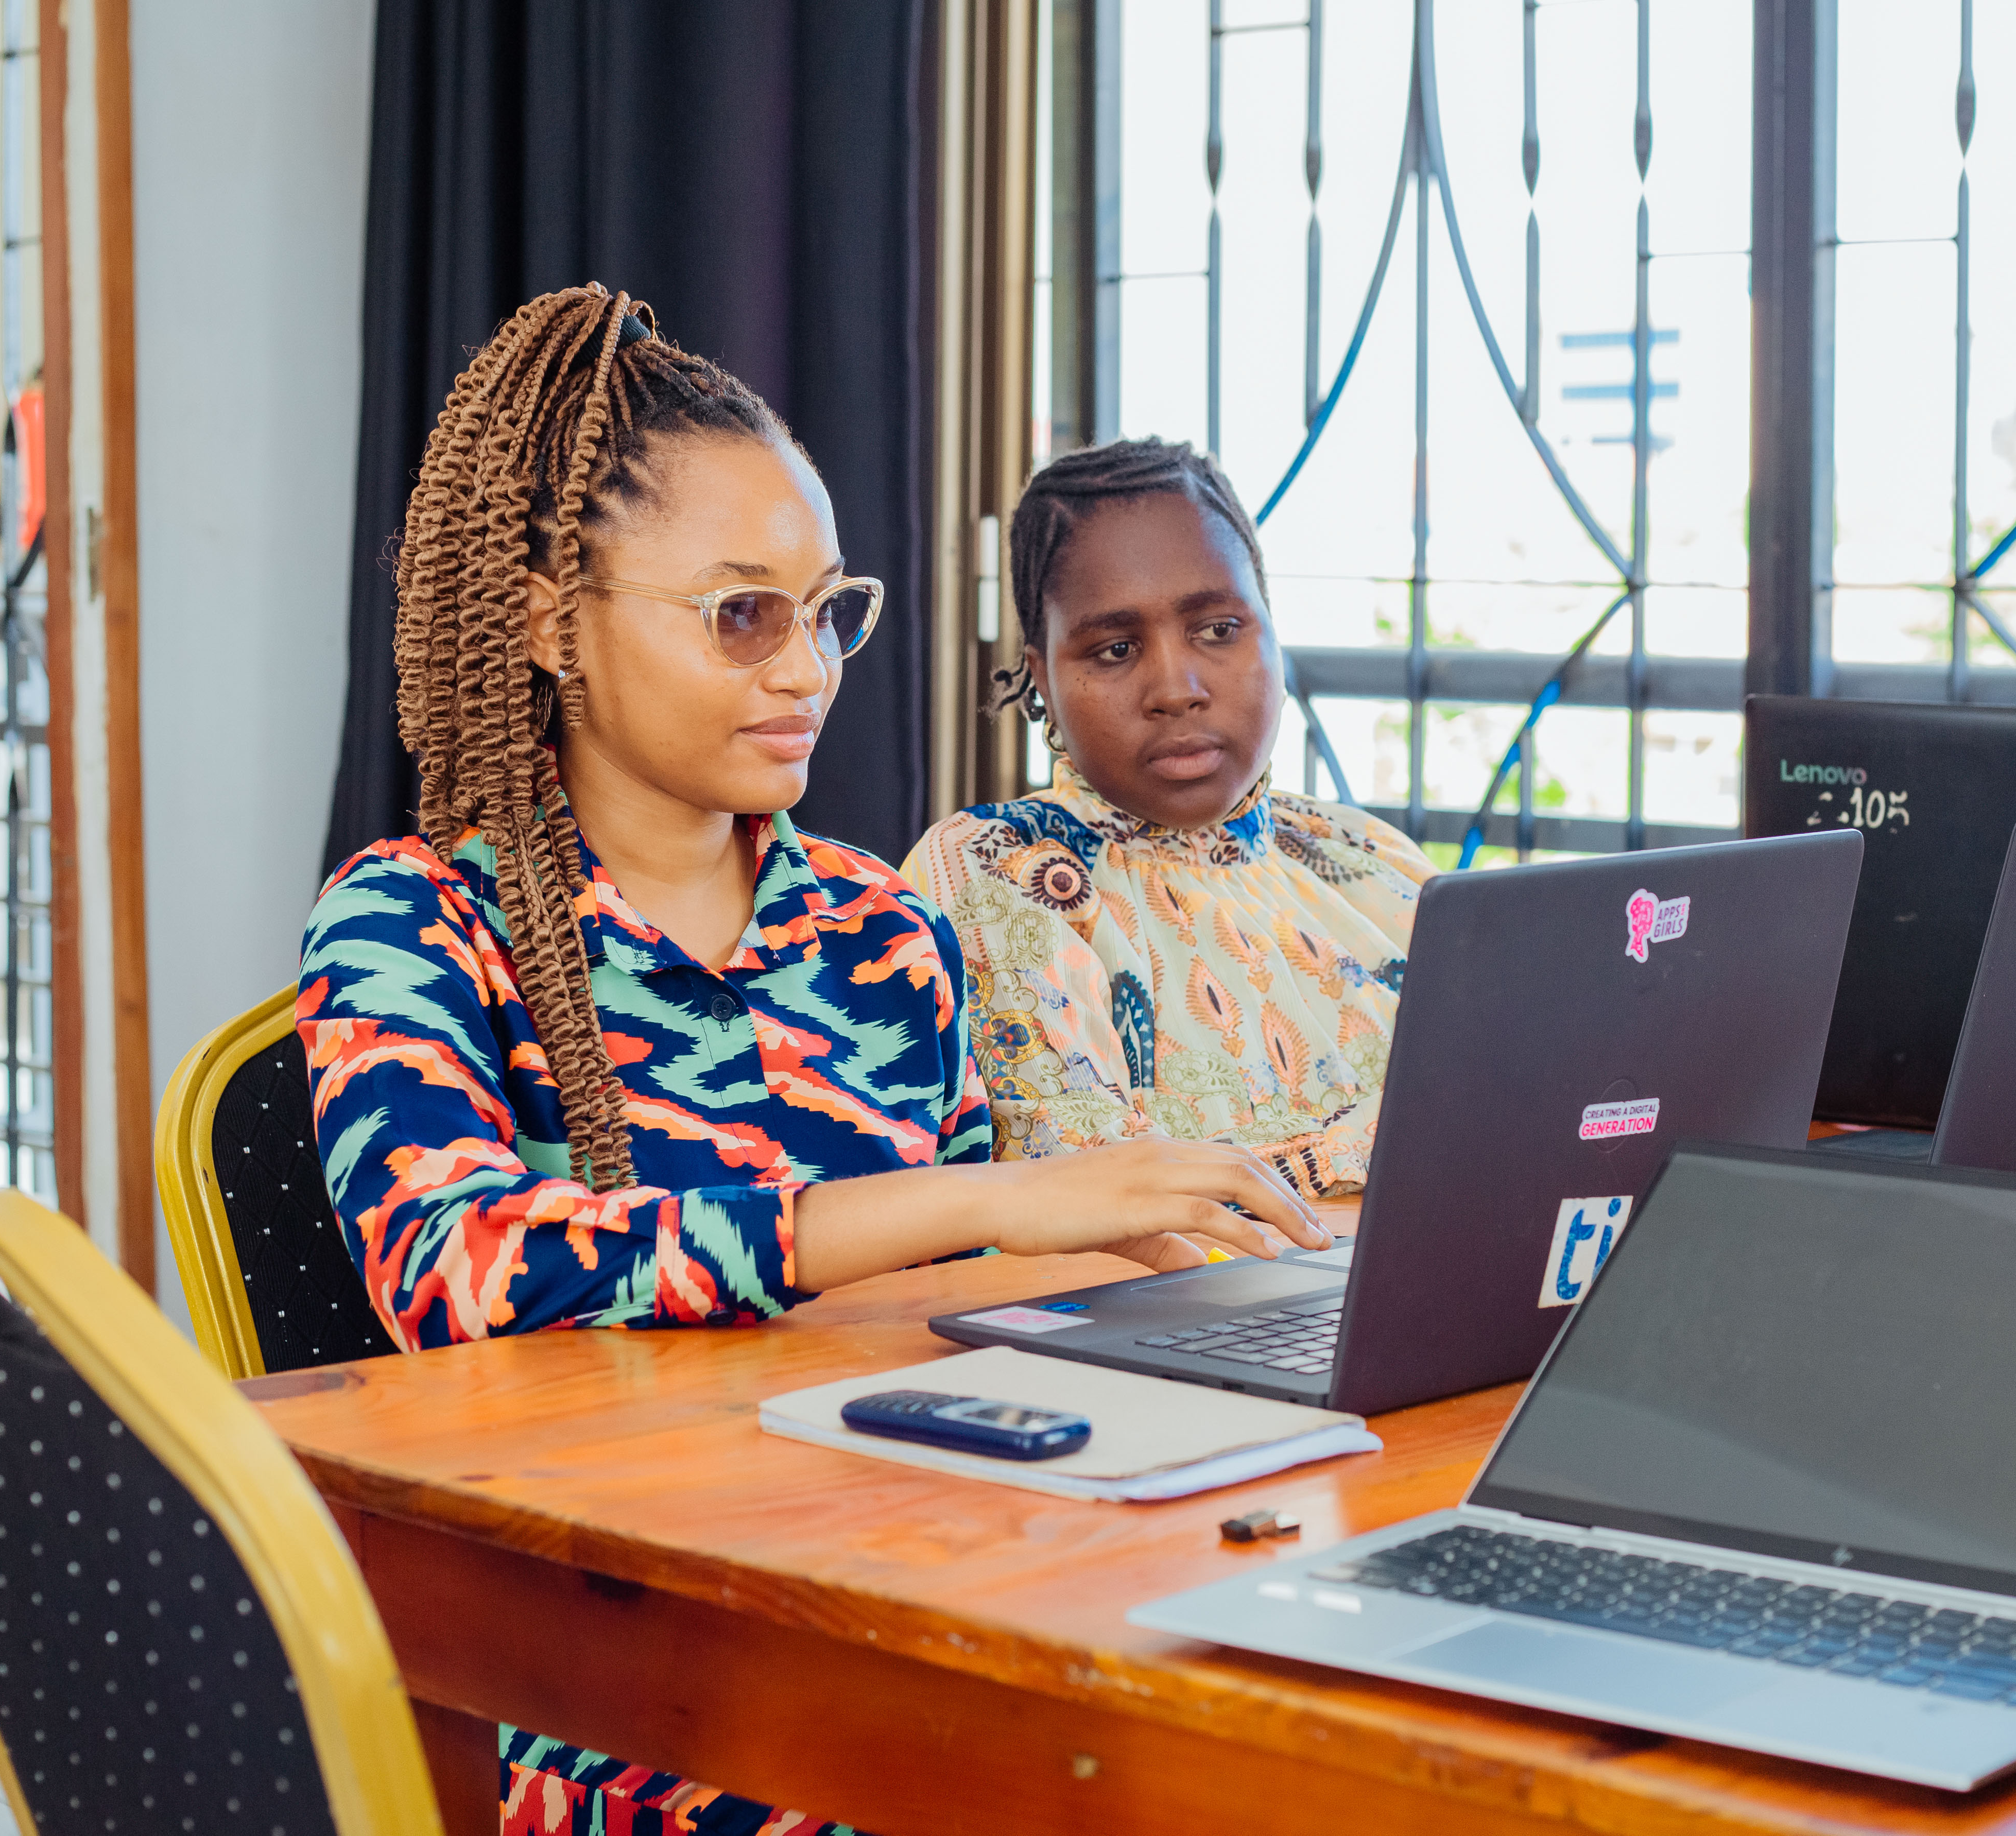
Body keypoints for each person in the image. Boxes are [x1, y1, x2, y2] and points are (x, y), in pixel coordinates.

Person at [298, 288, 1328, 1835]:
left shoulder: (874, 925)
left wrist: (1156, 1290)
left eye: (829, 610)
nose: (805, 671)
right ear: (549, 622)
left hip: (910, 1579)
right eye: (741, 615)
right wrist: (977, 1202)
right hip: (610, 1681)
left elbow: (943, 1314)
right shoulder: (415, 925)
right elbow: (463, 1264)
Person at [900, 439, 1433, 1199]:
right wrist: (1416, 1144)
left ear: (1271, 631)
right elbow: (1097, 1192)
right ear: (1043, 678)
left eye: (1218, 630)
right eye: (1115, 649)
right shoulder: (997, 871)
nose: (1176, 688)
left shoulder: (1368, 857)